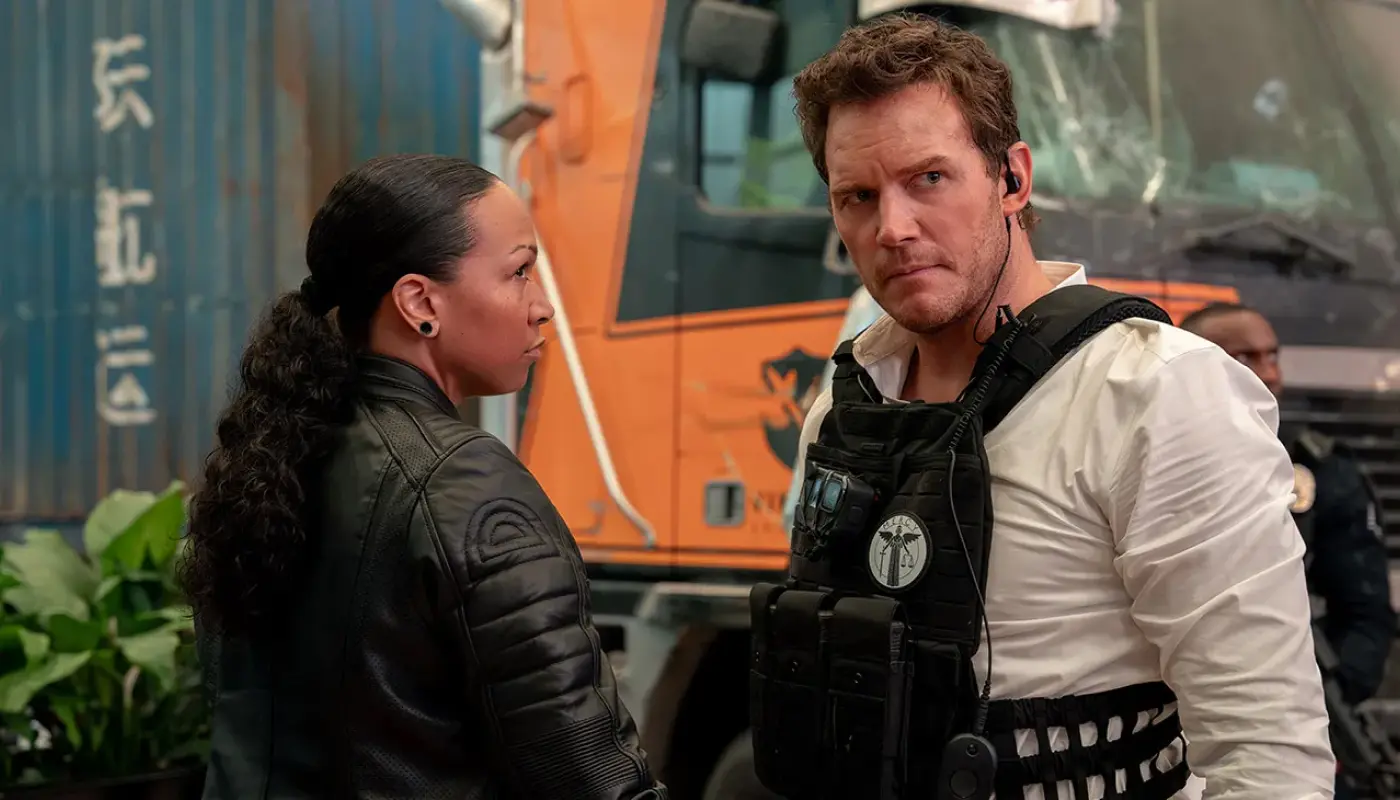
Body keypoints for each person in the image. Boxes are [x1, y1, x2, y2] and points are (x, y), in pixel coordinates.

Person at [756, 12, 1334, 800]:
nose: (892, 228)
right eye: (857, 196)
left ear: (1013, 179)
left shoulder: (1157, 393)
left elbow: (1268, 756)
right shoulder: (845, 403)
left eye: (929, 178)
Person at [179, 154, 667, 799]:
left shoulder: (268, 462)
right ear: (419, 302)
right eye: (519, 272)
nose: (542, 306)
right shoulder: (463, 483)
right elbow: (587, 775)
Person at [1181, 301, 1396, 797]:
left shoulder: (1317, 468)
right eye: (1244, 358)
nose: (1269, 373)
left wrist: (1316, 707)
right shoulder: (1148, 460)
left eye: (1272, 356)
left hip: (1294, 706)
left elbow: (1364, 614)